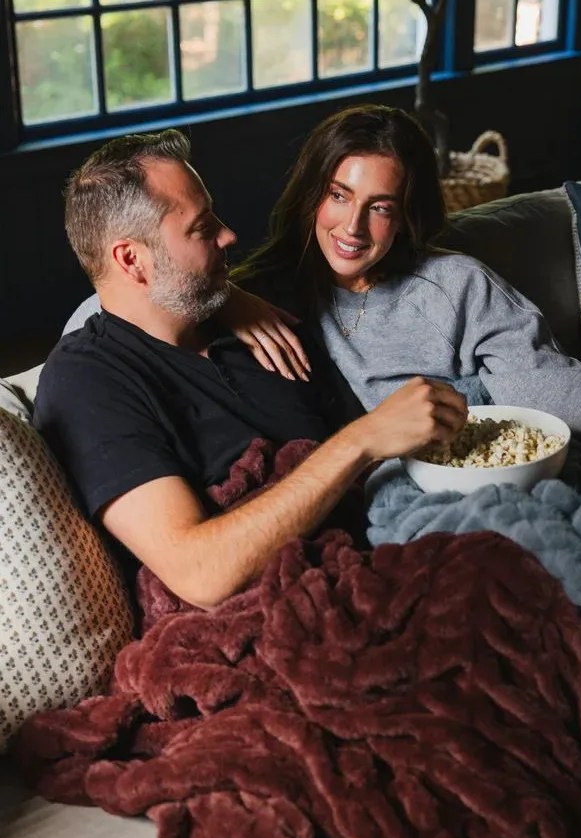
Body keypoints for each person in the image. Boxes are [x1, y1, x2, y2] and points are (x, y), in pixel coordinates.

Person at [230, 103, 581, 577]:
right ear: (311, 194)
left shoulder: (454, 285)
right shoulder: (264, 297)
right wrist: (231, 298)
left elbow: (544, 377)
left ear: (405, 217)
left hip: (488, 482)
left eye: (379, 207)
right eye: (338, 195)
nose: (352, 227)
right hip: (372, 507)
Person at [35, 129, 468, 609]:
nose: (229, 235)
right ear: (132, 260)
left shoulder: (257, 331)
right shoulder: (87, 380)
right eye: (202, 228)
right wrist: (363, 439)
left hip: (377, 566)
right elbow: (200, 573)